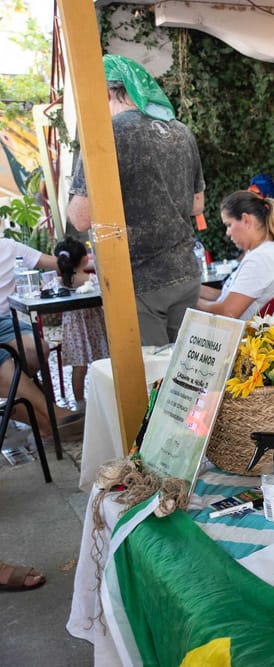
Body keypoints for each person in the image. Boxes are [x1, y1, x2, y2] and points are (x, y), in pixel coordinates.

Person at [66, 54, 205, 347]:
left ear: (104, 92)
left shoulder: (106, 134)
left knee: (151, 377)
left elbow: (80, 217)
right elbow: (197, 206)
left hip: (138, 279)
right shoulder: (182, 132)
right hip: (185, 273)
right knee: (185, 375)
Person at [0, 239, 85, 443]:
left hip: (5, 322)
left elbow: (57, 263)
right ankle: (52, 417)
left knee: (36, 349)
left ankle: (41, 419)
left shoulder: (8, 247)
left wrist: (88, 265)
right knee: (4, 362)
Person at [197, 190, 274, 320]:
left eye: (229, 225)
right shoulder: (266, 252)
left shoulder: (261, 259)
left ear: (245, 220)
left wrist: (191, 302)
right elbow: (228, 297)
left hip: (246, 337)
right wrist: (193, 291)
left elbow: (228, 311)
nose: (227, 233)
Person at [54, 237, 109, 409]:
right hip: (96, 326)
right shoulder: (91, 280)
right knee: (105, 361)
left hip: (73, 330)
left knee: (79, 367)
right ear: (85, 259)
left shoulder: (58, 282)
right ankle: (108, 395)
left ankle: (79, 402)